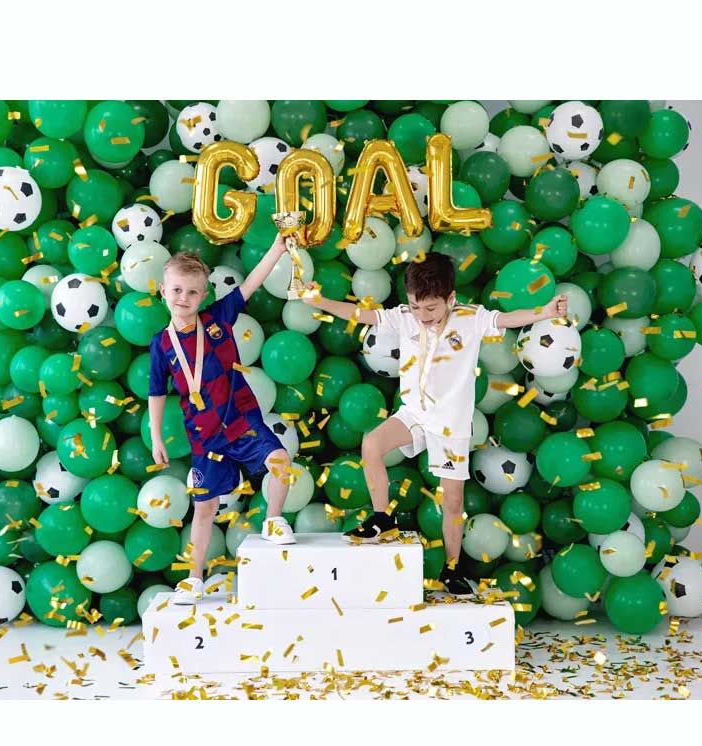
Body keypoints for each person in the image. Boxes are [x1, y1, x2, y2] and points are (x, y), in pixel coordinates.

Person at [301, 251, 568, 595]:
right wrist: (320, 301)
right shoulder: (404, 318)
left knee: (452, 502)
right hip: (414, 413)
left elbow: (507, 319)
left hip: (450, 425)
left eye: (431, 308)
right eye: (416, 306)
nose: (422, 316)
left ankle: (452, 568)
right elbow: (360, 314)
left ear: (450, 299)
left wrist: (545, 312)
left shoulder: (470, 318)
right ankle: (383, 519)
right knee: (371, 444)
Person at [148, 233, 296, 605]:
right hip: (205, 436)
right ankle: (193, 579)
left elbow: (251, 283)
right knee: (205, 508)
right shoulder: (161, 344)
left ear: (204, 296)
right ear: (163, 290)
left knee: (281, 461)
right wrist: (157, 436)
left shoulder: (217, 318)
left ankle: (273, 519)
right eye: (177, 290)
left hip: (242, 420)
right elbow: (157, 391)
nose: (183, 298)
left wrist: (277, 248)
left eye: (192, 292)